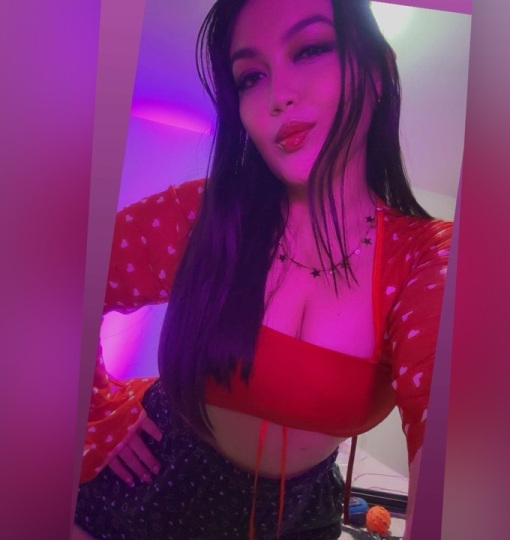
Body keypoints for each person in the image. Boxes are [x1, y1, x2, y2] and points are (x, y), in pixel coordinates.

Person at [74, 0, 452, 538]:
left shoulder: (427, 260)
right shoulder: (200, 216)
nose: (278, 95)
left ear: (375, 72)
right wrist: (92, 414)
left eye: (311, 49)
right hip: (150, 483)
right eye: (251, 76)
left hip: (299, 513)